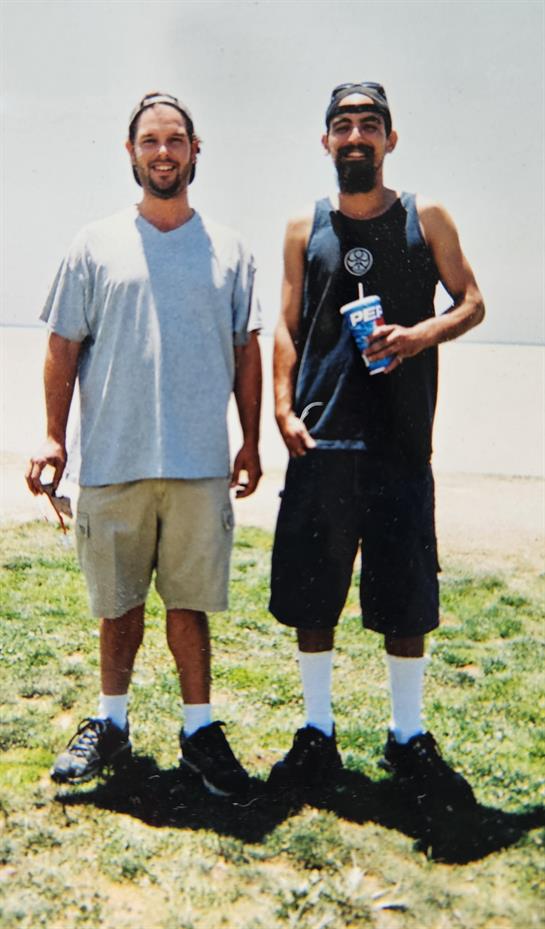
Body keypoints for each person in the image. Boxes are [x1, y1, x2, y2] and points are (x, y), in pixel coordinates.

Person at [26, 92, 262, 797]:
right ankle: (111, 723)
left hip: (198, 463)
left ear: (195, 152)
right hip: (114, 457)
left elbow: (245, 351)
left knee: (188, 607)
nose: (163, 152)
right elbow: (63, 345)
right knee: (118, 604)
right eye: (150, 140)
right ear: (130, 152)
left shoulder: (230, 248)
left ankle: (199, 731)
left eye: (176, 140)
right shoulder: (93, 243)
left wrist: (249, 441)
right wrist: (50, 435)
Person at [268, 82, 484, 803]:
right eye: (341, 125)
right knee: (312, 595)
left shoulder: (427, 217)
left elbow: (472, 301)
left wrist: (419, 333)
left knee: (405, 598)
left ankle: (406, 734)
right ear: (325, 141)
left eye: (368, 124)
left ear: (390, 140)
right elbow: (287, 324)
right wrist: (279, 406)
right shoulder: (306, 226)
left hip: (399, 443)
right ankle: (316, 730)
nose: (354, 136)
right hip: (320, 441)